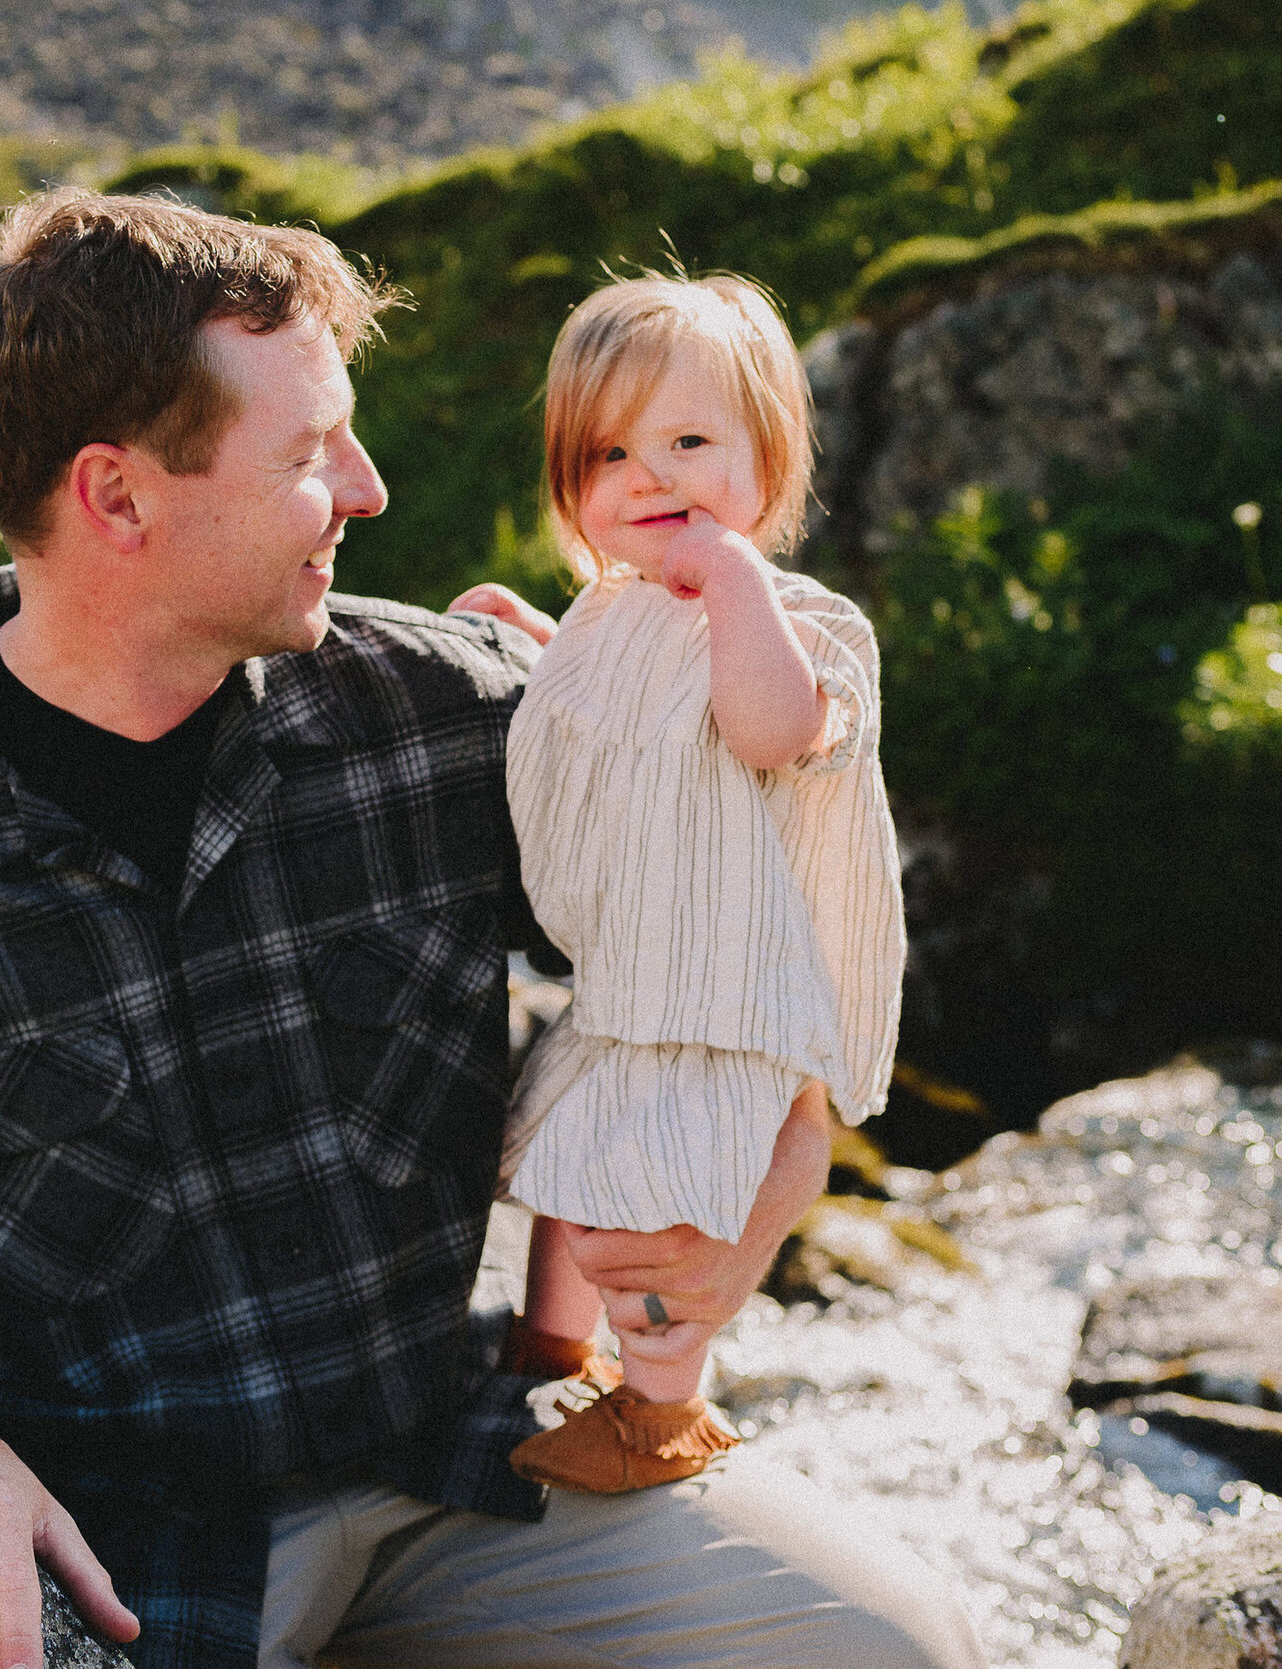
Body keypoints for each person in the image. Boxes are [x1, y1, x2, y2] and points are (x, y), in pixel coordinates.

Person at [0, 188, 983, 1669]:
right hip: (114, 1547)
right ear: (118, 497)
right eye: (314, 451)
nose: (372, 489)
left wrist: (756, 1216)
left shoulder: (447, 716)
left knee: (901, 1648)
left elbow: (754, 925)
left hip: (463, 1461)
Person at [473, 272, 908, 1495]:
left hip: (725, 998)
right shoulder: (615, 612)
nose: (649, 477)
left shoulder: (791, 621)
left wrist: (730, 585)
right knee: (569, 1169)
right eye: (609, 454)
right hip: (628, 985)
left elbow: (766, 731)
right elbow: (622, 722)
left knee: (665, 1217)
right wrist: (530, 639)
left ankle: (662, 1404)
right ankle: (546, 1349)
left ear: (767, 462)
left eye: (689, 442)